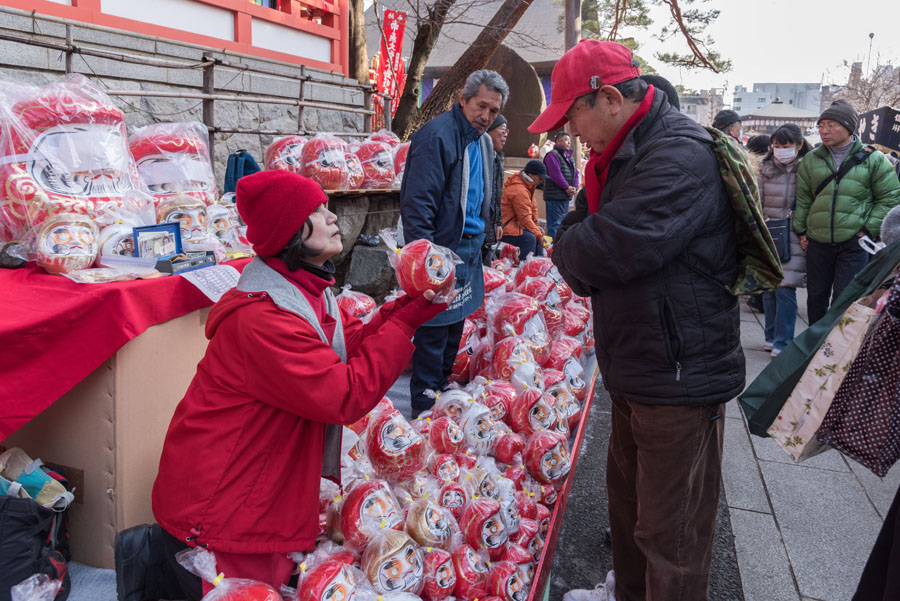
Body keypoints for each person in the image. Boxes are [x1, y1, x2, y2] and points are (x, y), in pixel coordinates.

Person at [150, 170, 448, 598]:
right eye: (317, 211)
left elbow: (348, 347)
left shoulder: (306, 290)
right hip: (227, 500)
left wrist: (406, 310)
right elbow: (343, 393)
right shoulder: (264, 318)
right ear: (289, 231)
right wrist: (403, 323)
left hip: (261, 482)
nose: (331, 219)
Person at [528, 40, 745, 601]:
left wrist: (573, 244)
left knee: (670, 534)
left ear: (608, 98)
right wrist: (576, 241)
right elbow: (582, 228)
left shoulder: (677, 154)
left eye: (574, 115)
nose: (573, 133)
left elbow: (603, 248)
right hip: (637, 361)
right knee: (627, 509)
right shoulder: (620, 153)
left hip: (678, 372)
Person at [400, 69, 507, 417]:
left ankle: (442, 384)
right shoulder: (438, 137)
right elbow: (419, 203)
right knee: (433, 326)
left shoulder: (482, 140)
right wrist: (424, 259)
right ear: (463, 99)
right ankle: (424, 402)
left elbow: (485, 195)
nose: (486, 116)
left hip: (471, 247)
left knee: (455, 322)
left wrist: (490, 232)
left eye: (493, 111)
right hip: (442, 250)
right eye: (481, 106)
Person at [793, 99, 900, 324]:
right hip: (817, 241)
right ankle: (811, 348)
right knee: (815, 298)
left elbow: (889, 197)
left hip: (854, 242)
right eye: (821, 125)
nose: (824, 131)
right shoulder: (811, 159)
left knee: (844, 299)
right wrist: (802, 231)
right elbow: (803, 198)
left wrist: (866, 230)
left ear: (849, 127)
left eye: (832, 124)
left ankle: (831, 352)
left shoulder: (874, 159)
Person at [757, 124, 811, 357]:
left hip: (795, 233)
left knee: (786, 288)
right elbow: (756, 201)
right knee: (769, 288)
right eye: (777, 146)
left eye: (786, 146)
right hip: (769, 231)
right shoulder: (765, 168)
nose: (780, 151)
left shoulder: (809, 168)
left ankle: (783, 341)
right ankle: (770, 337)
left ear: (799, 145)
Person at [500, 159, 547, 261]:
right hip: (506, 228)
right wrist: (538, 234)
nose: (541, 181)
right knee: (530, 239)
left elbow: (533, 210)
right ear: (531, 175)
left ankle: (538, 265)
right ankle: (523, 268)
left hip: (515, 226)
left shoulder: (528, 187)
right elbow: (524, 219)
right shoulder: (519, 190)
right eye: (540, 177)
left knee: (537, 236)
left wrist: (537, 228)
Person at [542, 131, 579, 240]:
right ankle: (551, 251)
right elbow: (555, 174)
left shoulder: (569, 157)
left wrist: (575, 187)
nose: (569, 143)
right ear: (558, 141)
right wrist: (567, 187)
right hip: (555, 196)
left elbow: (575, 173)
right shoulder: (552, 155)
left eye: (569, 140)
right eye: (566, 140)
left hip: (564, 196)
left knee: (562, 224)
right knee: (554, 225)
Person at [484, 114, 509, 263]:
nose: (506, 135)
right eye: (503, 130)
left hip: (491, 226)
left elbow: (497, 195)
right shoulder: (480, 157)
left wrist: (498, 223)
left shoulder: (497, 159)